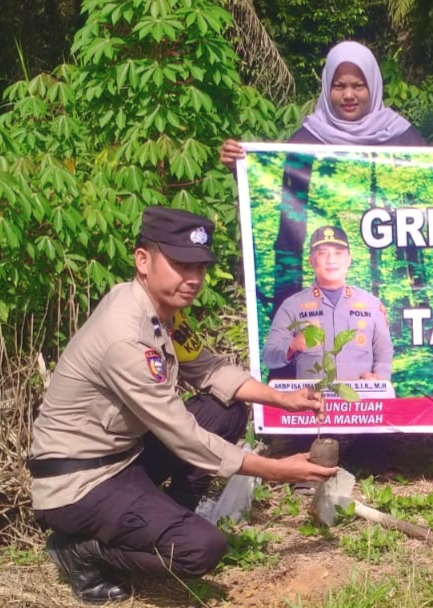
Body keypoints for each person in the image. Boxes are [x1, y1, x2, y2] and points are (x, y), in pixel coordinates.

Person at [28, 207, 338, 604]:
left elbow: (208, 370)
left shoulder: (160, 312)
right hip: (80, 484)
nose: (193, 279)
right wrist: (276, 470)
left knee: (225, 411)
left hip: (126, 456)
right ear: (143, 260)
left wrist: (283, 398)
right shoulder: (126, 338)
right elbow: (182, 434)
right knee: (201, 549)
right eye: (179, 264)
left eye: (200, 268)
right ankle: (80, 551)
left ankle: (168, 516)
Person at [219, 40, 425, 170]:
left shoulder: (403, 137)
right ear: (327, 89)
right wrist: (239, 166)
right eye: (339, 86)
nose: (348, 95)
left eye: (359, 86)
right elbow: (275, 188)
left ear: (374, 86)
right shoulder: (307, 140)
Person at [262, 225, 392, 381]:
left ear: (349, 259)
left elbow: (384, 352)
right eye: (323, 253)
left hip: (361, 401)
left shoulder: (371, 304)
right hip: (312, 401)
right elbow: (269, 357)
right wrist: (291, 346)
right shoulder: (292, 306)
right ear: (311, 260)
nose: (331, 260)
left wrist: (379, 380)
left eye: (338, 253)